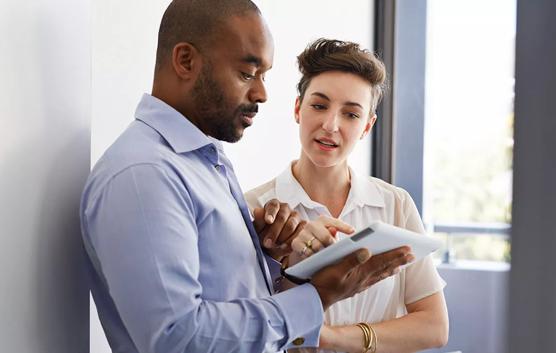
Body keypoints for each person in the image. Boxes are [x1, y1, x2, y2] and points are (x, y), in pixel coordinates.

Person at [80, 1, 414, 353]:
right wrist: (317, 297)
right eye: (246, 73)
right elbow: (177, 338)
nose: (262, 94)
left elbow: (220, 300)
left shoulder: (203, 162)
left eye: (264, 75)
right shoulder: (145, 175)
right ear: (185, 61)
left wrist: (267, 257)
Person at [245, 38, 449, 353]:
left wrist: (331, 337)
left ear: (367, 126)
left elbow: (434, 326)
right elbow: (242, 325)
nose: (330, 125)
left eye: (351, 115)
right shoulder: (255, 209)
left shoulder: (395, 204)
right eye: (319, 105)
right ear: (298, 109)